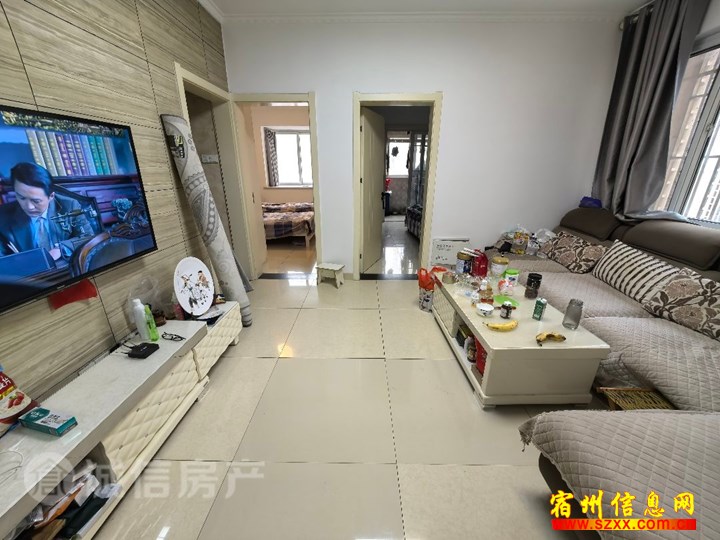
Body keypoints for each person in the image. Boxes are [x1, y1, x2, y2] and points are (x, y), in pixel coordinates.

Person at [0, 163, 94, 259]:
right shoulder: (3, 215)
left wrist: (61, 248)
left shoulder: (70, 206)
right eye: (22, 198)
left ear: (51, 196)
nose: (29, 207)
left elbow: (88, 236)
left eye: (36, 201)